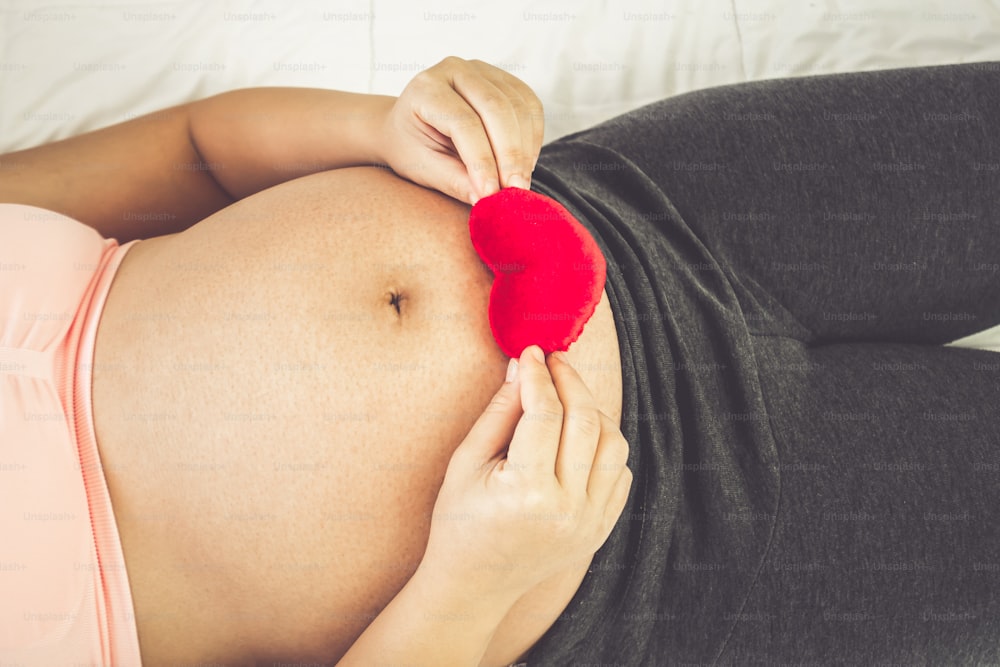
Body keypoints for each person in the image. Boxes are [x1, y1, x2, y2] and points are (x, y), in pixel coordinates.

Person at [4, 55, 1000, 666]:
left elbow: (191, 152)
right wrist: (470, 583)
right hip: (660, 557)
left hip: (650, 216)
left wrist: (383, 127)